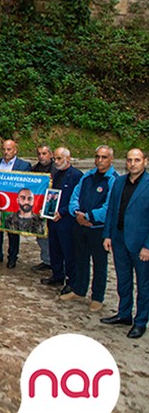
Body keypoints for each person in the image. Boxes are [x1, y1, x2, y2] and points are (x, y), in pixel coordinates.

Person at [62, 145, 118, 310]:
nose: (100, 160)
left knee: (99, 263)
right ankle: (79, 290)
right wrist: (76, 213)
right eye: (98, 157)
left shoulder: (113, 179)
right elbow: (75, 196)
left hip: (98, 228)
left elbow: (109, 207)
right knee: (80, 259)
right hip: (80, 225)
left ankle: (97, 297)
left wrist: (89, 216)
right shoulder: (87, 176)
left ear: (111, 159)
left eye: (104, 157)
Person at [102, 148, 149, 338]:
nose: (132, 164)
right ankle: (124, 314)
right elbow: (112, 211)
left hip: (140, 243)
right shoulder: (119, 182)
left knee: (143, 284)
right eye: (129, 160)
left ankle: (140, 321)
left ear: (145, 161)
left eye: (137, 160)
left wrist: (148, 245)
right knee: (123, 280)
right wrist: (107, 235)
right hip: (119, 239)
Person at [41, 147, 83, 288]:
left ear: (68, 158)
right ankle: (57, 275)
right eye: (55, 159)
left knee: (68, 252)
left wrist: (63, 212)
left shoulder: (77, 176)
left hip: (67, 220)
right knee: (55, 249)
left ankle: (71, 282)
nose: (56, 162)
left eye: (59, 158)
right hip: (53, 219)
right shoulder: (56, 174)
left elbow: (76, 199)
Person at [0, 139, 32, 267]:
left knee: (12, 232)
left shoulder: (24, 166)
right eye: (4, 149)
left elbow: (27, 185)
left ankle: (12, 257)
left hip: (13, 205)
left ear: (15, 150)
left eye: (9, 149)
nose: (6, 152)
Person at [31, 144, 57, 271]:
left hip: (52, 206)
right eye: (39, 154)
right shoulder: (34, 169)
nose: (41, 156)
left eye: (44, 153)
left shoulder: (56, 169)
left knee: (53, 237)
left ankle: (56, 262)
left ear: (51, 154)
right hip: (37, 207)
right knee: (41, 236)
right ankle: (46, 260)